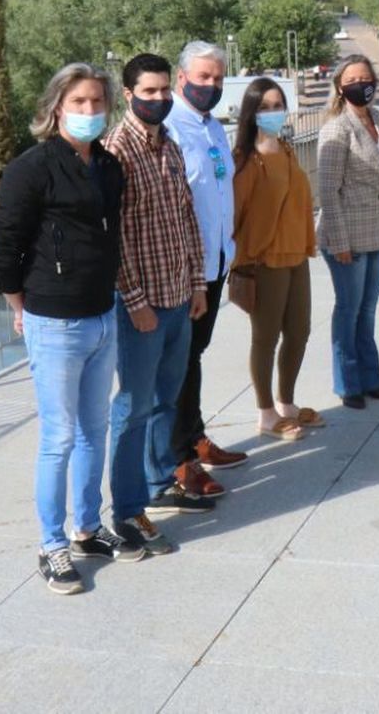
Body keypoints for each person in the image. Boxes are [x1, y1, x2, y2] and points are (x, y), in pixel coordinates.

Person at [0, 61, 146, 597]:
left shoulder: (107, 165)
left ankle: (86, 527)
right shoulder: (30, 170)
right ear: (56, 107)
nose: (89, 112)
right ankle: (51, 544)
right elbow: (4, 251)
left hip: (103, 314)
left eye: (97, 103)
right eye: (78, 102)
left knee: (93, 429)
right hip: (54, 321)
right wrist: (21, 306)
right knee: (58, 437)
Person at [105, 53, 212, 553]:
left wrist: (197, 285)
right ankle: (127, 511)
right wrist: (135, 300)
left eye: (165, 90)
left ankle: (159, 480)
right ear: (128, 94)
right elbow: (115, 238)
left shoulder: (168, 144)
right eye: (149, 92)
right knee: (133, 409)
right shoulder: (117, 152)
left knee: (167, 400)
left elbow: (186, 220)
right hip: (142, 307)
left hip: (178, 298)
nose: (161, 98)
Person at [163, 40, 249, 498]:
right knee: (177, 363)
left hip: (216, 264)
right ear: (182, 79)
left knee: (194, 356)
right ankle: (179, 460)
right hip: (182, 270)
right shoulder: (170, 127)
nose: (211, 86)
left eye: (217, 78)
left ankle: (195, 436)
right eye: (203, 78)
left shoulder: (214, 128)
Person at [233, 76, 322, 437]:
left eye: (277, 105)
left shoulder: (286, 149)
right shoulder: (246, 160)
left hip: (296, 254)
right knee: (265, 339)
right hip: (264, 260)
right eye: (265, 107)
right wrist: (242, 261)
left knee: (299, 332)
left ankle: (287, 403)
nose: (273, 112)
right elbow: (235, 215)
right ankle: (266, 413)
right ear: (252, 113)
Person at [317, 54, 379, 407]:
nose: (360, 84)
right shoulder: (336, 128)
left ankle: (370, 376)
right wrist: (339, 241)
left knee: (367, 309)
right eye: (352, 79)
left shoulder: (378, 118)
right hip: (348, 234)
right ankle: (348, 383)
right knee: (348, 310)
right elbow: (327, 190)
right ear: (340, 86)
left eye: (366, 77)